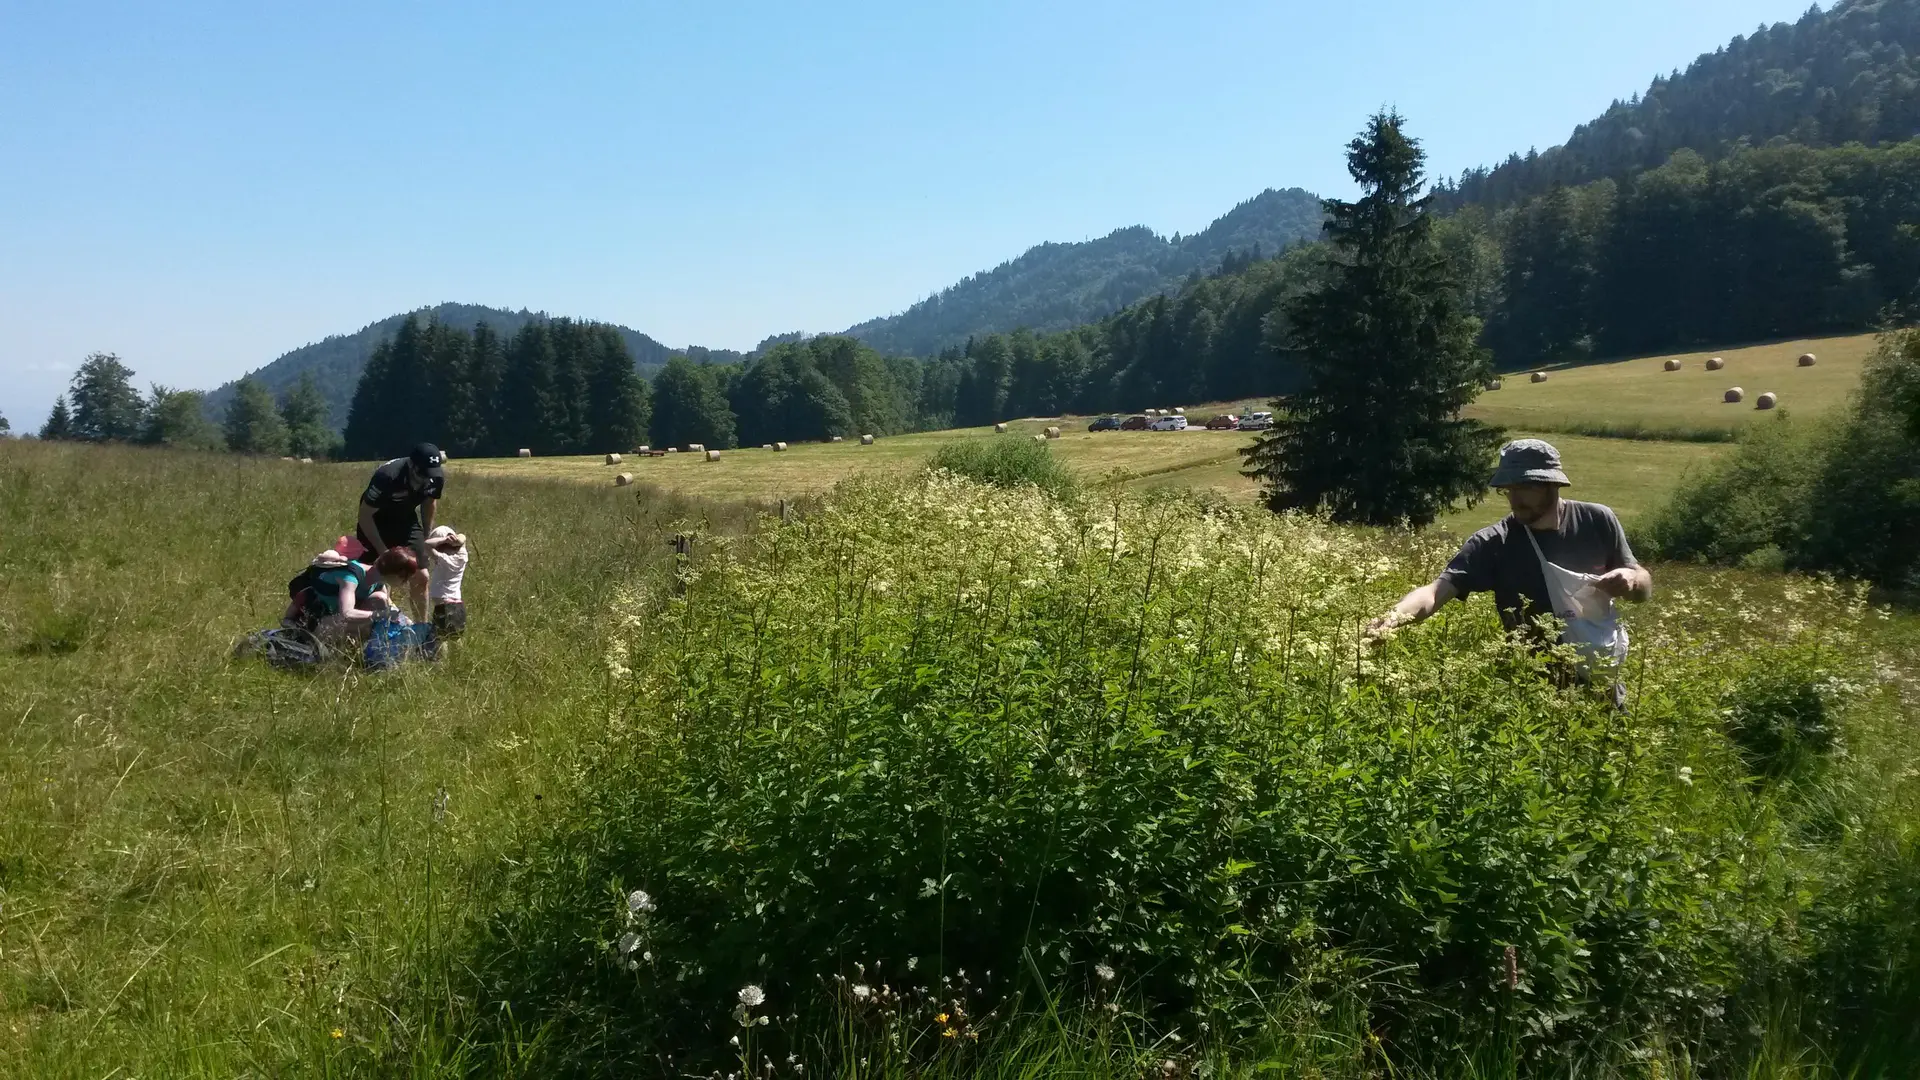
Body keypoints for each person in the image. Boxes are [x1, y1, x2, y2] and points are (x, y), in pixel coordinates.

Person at [1366, 439, 1653, 701]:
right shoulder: (1493, 542)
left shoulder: (1597, 520)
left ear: (1552, 485)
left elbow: (1642, 586)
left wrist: (1631, 580)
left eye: (1525, 487)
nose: (1515, 498)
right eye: (1509, 489)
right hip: (1532, 696)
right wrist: (1391, 620)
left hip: (1604, 686)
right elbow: (1436, 591)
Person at [356, 442, 445, 618]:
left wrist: (426, 535)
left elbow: (429, 503)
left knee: (422, 576)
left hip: (406, 520)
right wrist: (383, 552)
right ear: (411, 465)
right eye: (422, 474)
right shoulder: (387, 477)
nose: (426, 480)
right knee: (376, 577)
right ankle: (379, 623)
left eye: (430, 475)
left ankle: (421, 628)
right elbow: (365, 515)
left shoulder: (435, 477)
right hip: (376, 521)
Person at [284, 547, 420, 647]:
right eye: (406, 578)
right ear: (397, 574)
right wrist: (380, 615)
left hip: (332, 619)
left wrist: (405, 621)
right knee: (372, 623)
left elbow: (391, 608)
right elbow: (347, 614)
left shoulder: (379, 581)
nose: (406, 583)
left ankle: (366, 650)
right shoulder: (350, 577)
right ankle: (370, 655)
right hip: (313, 624)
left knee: (380, 599)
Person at [423, 524, 469, 637]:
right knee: (456, 638)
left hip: (443, 607)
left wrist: (444, 539)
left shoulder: (443, 559)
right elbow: (463, 538)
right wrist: (457, 540)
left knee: (440, 639)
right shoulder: (463, 556)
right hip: (459, 605)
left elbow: (427, 544)